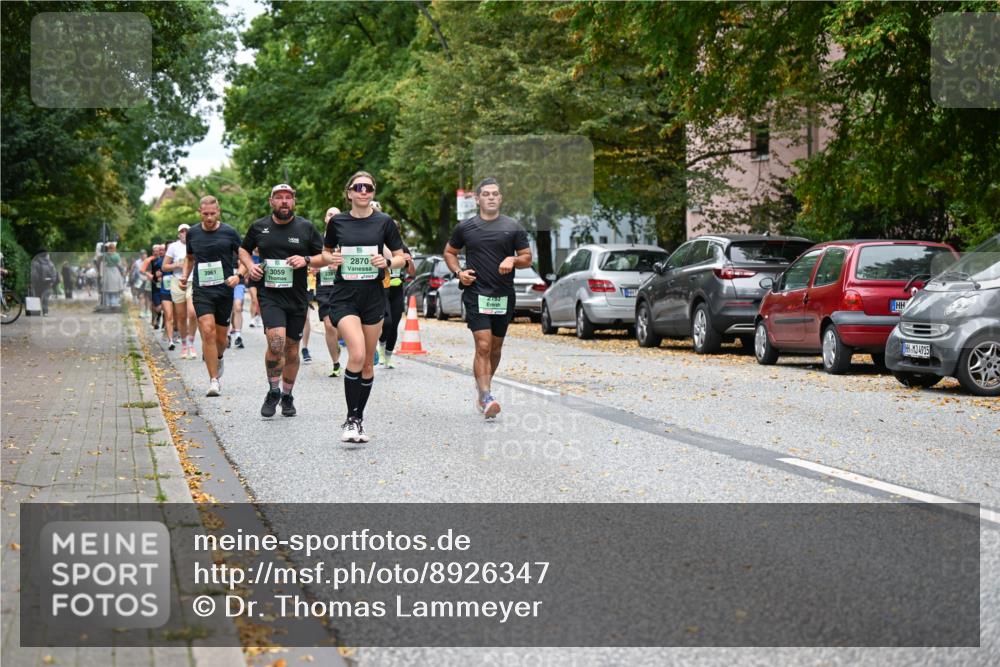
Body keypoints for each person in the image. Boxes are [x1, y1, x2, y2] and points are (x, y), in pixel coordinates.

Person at [322, 172, 406, 443]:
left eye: (368, 188)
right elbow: (325, 252)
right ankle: (350, 419)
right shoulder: (338, 222)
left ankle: (358, 419)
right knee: (356, 354)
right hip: (344, 296)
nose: (363, 191)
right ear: (349, 193)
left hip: (373, 297)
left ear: (373, 192)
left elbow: (402, 257)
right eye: (358, 187)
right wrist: (332, 259)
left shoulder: (384, 222)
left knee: (368, 363)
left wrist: (387, 263)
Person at [443, 177, 531, 419]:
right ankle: (486, 395)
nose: (491, 197)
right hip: (476, 293)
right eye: (486, 194)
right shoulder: (465, 227)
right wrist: (459, 272)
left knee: (495, 347)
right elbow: (450, 252)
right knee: (483, 345)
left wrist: (512, 259)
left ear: (500, 198)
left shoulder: (513, 226)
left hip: (503, 294)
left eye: (495, 194)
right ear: (477, 199)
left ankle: (484, 389)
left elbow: (527, 258)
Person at [239, 184, 325, 418]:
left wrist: (306, 260)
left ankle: (287, 395)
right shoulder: (259, 227)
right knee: (276, 344)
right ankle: (273, 391)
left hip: (297, 297)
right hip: (270, 296)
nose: (284, 201)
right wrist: (251, 266)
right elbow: (243, 250)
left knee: (292, 349)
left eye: (288, 197)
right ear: (271, 202)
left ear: (293, 202)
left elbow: (324, 256)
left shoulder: (306, 227)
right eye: (279, 197)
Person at [178, 196, 243, 397]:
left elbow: (244, 258)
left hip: (224, 290)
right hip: (202, 290)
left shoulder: (230, 232)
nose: (208, 217)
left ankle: (219, 356)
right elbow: (190, 258)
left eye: (212, 214)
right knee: (207, 331)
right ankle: (214, 381)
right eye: (205, 214)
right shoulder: (193, 233)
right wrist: (184, 276)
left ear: (218, 212)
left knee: (221, 338)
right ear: (200, 212)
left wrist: (238, 276)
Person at [377, 218, 415, 368]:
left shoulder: (403, 248)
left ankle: (388, 356)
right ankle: (381, 347)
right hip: (383, 289)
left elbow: (412, 272)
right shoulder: (380, 246)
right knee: (386, 322)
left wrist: (409, 261)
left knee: (394, 325)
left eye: (396, 231)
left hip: (397, 290)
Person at [316, 207, 343, 377]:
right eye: (330, 214)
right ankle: (336, 363)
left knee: (342, 326)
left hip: (344, 286)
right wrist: (314, 267)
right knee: (328, 325)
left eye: (336, 215)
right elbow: (311, 259)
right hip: (324, 286)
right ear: (325, 219)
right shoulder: (317, 239)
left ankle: (343, 341)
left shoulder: (346, 238)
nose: (333, 217)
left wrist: (339, 265)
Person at [163, 224, 195, 358]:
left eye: (187, 231)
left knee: (192, 313)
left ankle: (191, 342)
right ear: (178, 234)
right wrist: (176, 264)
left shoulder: (195, 243)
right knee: (181, 316)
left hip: (193, 281)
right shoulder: (173, 247)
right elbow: (164, 266)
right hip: (177, 282)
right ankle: (184, 344)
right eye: (182, 231)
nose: (184, 233)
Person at [30, 249, 59, 315]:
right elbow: (54, 273)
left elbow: (34, 274)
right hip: (48, 283)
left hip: (38, 283)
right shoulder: (50, 263)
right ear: (46, 255)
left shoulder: (35, 263)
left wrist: (33, 282)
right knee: (45, 298)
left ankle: (37, 311)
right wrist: (52, 282)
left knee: (37, 297)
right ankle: (45, 312)